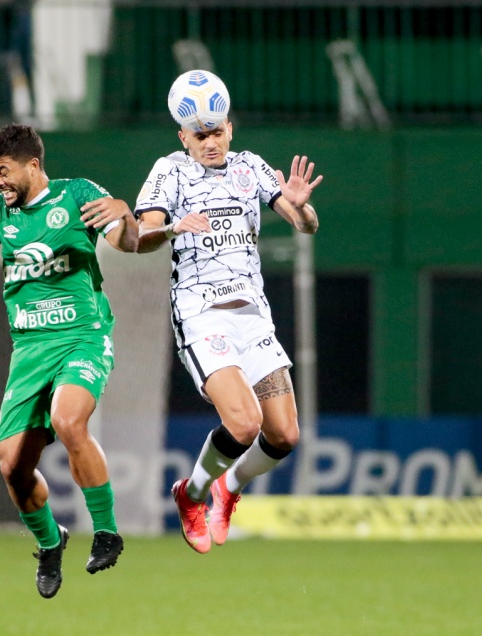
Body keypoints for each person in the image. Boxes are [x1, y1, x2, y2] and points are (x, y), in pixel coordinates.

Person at [0, 124, 137, 598]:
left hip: (81, 337)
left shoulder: (78, 194)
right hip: (29, 349)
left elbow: (126, 243)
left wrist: (126, 216)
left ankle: (107, 531)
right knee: (12, 466)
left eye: (2, 171)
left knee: (68, 421)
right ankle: (51, 543)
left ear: (32, 165)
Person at [134, 71, 322, 554]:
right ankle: (191, 493)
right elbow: (140, 235)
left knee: (284, 433)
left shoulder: (251, 168)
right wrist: (174, 226)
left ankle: (227, 486)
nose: (211, 142)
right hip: (202, 314)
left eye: (217, 131)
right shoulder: (169, 171)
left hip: (253, 315)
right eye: (200, 135)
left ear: (230, 129)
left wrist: (302, 210)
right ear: (183, 137)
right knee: (244, 423)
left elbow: (306, 226)